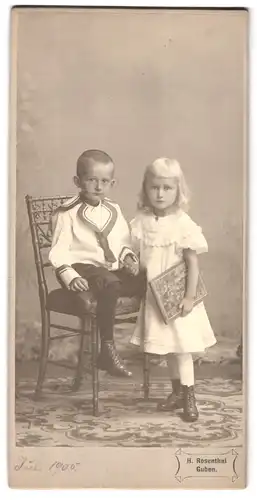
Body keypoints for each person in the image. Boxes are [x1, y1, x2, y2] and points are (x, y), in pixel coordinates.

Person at [130, 157, 216, 421]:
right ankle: (177, 392)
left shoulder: (183, 223)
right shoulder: (141, 222)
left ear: (178, 190)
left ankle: (190, 395)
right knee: (168, 348)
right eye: (155, 187)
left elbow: (193, 264)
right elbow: (137, 258)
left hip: (179, 299)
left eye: (167, 188)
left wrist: (189, 297)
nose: (160, 193)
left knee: (183, 349)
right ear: (146, 188)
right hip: (156, 298)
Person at [49, 149, 145, 378]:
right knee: (108, 282)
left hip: (107, 272)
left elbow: (122, 242)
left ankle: (155, 344)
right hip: (82, 269)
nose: (98, 187)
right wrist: (70, 276)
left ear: (112, 183)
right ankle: (108, 349)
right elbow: (59, 251)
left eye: (104, 181)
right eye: (92, 180)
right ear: (78, 181)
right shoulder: (67, 213)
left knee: (145, 279)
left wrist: (129, 257)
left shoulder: (114, 209)